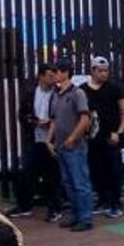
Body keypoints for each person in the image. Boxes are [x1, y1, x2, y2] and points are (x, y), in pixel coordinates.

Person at [8, 64, 63, 221]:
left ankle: (55, 209)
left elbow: (62, 114)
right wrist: (35, 122)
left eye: (54, 75)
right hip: (34, 138)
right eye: (49, 75)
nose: (53, 79)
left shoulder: (59, 92)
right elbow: (23, 114)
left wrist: (51, 123)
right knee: (27, 172)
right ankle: (24, 205)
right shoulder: (31, 93)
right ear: (40, 76)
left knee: (53, 175)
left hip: (52, 140)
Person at [50, 60, 95, 232]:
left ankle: (85, 217)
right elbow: (55, 119)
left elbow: (85, 118)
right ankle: (76, 214)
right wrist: (50, 139)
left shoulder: (78, 93)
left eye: (57, 71)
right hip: (61, 144)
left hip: (74, 145)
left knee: (80, 181)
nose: (55, 75)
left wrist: (73, 138)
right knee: (68, 182)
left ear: (65, 72)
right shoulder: (57, 94)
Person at [82, 56, 124, 219]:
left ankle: (116, 203)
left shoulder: (115, 88)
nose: (103, 74)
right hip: (93, 137)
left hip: (111, 136)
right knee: (96, 169)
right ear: (92, 71)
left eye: (106, 70)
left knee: (114, 170)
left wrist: (119, 132)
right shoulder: (83, 90)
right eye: (100, 71)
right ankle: (103, 200)